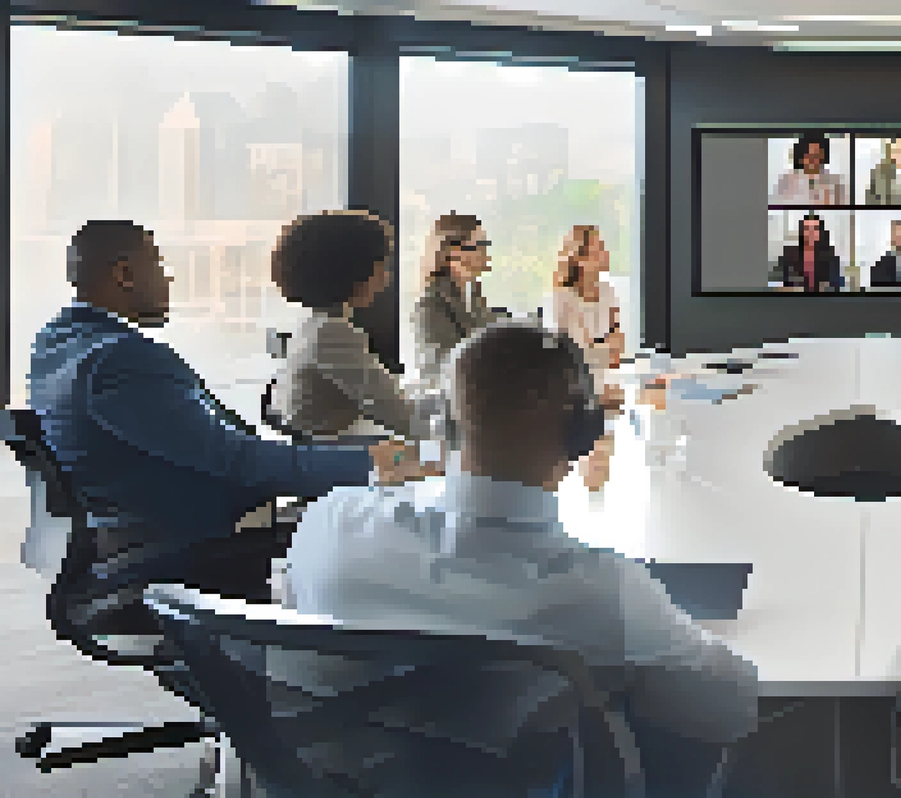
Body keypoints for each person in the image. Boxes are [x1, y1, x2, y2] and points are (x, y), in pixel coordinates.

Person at [279, 320, 760, 796]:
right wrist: (667, 628)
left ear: (445, 422)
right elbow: (731, 708)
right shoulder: (598, 592)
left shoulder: (331, 522)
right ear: (582, 430)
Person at [26, 220, 428, 589]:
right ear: (124, 274)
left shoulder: (57, 342)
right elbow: (239, 462)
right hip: (178, 546)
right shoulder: (118, 360)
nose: (167, 278)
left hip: (131, 531)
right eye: (159, 264)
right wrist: (377, 463)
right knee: (386, 532)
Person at [268, 210, 435, 441]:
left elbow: (390, 400)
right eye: (381, 265)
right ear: (353, 271)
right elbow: (401, 417)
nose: (386, 277)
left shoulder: (313, 327)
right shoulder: (333, 334)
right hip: (339, 459)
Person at [543, 225, 627, 492]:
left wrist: (596, 348)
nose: (604, 253)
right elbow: (569, 355)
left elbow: (618, 348)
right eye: (597, 249)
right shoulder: (560, 298)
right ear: (578, 258)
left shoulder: (608, 292)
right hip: (571, 392)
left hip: (605, 387)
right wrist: (601, 348)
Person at [412, 212, 505, 390]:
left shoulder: (473, 297)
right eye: (481, 244)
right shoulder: (430, 304)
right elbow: (439, 369)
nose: (486, 251)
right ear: (455, 251)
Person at [771, 213, 844, 292]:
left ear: (820, 232)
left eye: (815, 228)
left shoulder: (831, 256)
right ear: (802, 231)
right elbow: (776, 281)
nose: (811, 233)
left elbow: (836, 285)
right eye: (807, 228)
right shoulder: (788, 253)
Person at [771, 133, 847, 205]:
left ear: (822, 157)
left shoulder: (834, 183)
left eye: (816, 156)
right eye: (808, 155)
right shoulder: (787, 181)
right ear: (801, 156)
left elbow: (843, 210)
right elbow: (776, 207)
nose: (812, 160)